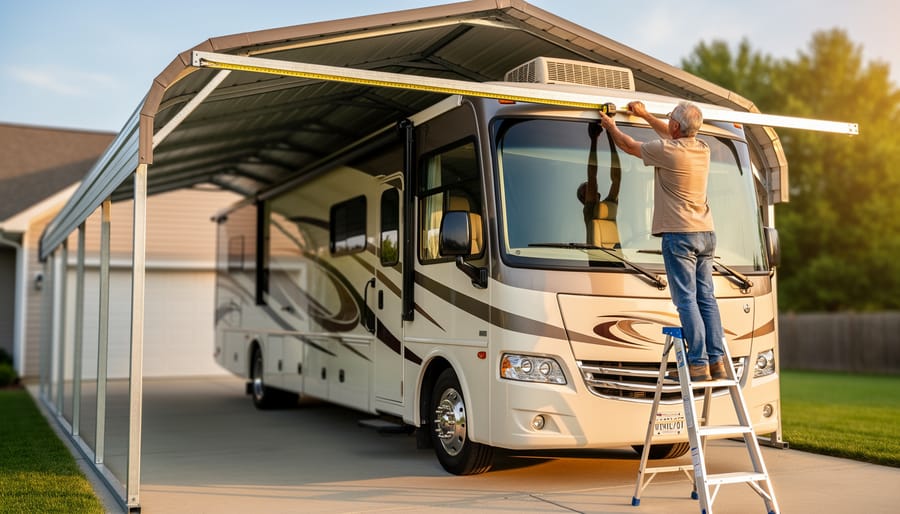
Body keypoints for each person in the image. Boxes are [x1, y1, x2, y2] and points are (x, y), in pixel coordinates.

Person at [597, 100, 725, 381]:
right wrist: (644, 115)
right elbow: (669, 132)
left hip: (680, 234)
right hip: (706, 233)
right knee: (707, 298)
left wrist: (610, 126)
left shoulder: (667, 151)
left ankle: (698, 363)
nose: (668, 125)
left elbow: (629, 146)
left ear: (676, 126)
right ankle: (717, 361)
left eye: (670, 121)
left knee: (686, 300)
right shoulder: (701, 149)